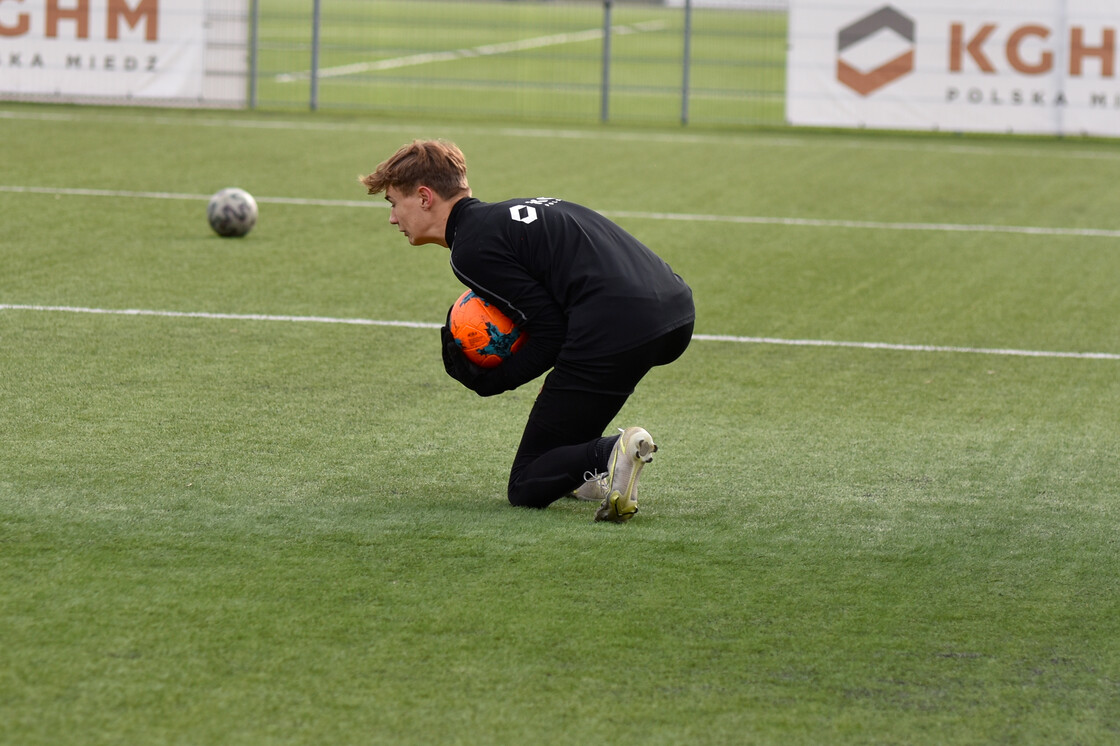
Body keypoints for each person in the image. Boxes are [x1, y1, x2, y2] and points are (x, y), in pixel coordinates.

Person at [360, 139, 694, 522]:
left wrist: (493, 381)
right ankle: (589, 475)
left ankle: (613, 451)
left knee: (526, 483)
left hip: (616, 325)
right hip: (675, 309)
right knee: (563, 413)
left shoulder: (469, 248)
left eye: (392, 203)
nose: (391, 218)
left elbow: (551, 333)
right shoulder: (511, 213)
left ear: (423, 197)